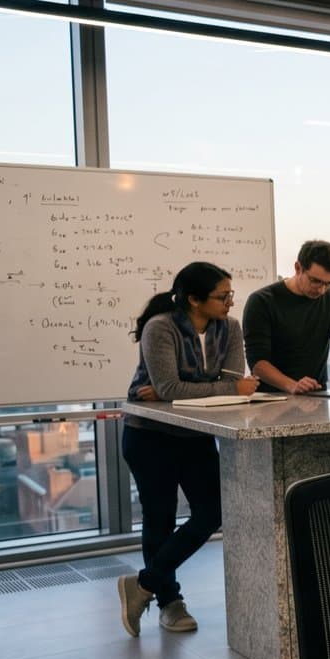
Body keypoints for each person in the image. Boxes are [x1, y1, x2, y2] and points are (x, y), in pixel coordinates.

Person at [117, 261, 259, 637]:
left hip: (195, 434)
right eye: (222, 296)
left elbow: (227, 384)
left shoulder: (229, 328)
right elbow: (177, 388)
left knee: (213, 511)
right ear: (194, 300)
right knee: (160, 519)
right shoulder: (160, 327)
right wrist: (194, 389)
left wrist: (181, 389)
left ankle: (143, 584)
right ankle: (169, 602)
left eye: (230, 294)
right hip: (150, 435)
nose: (230, 302)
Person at [244, 239, 330, 394]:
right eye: (315, 281)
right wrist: (292, 385)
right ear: (298, 268)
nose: (321, 290)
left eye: (329, 283)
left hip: (317, 395)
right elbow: (258, 363)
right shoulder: (262, 301)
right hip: (272, 398)